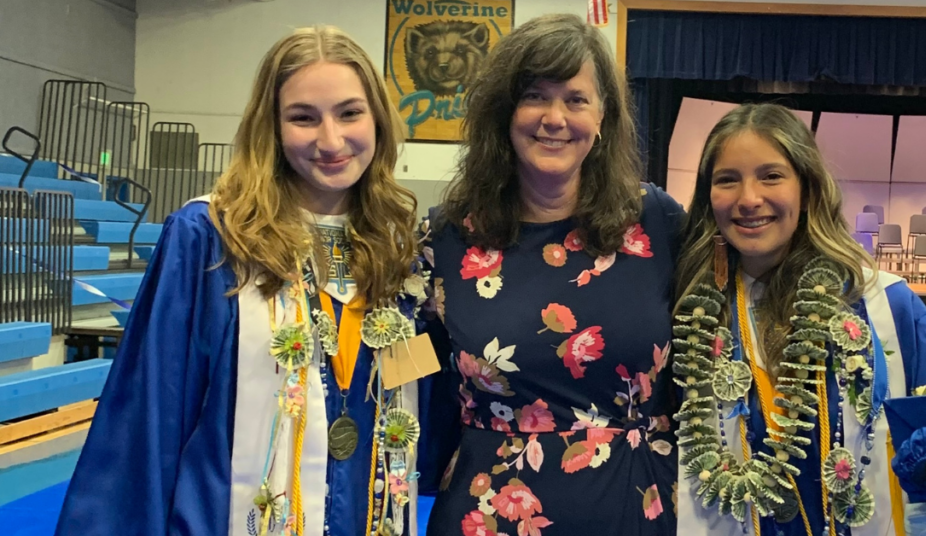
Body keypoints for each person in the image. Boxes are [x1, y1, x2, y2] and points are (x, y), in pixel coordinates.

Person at [54, 26, 432, 536]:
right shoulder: (211, 238)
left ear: (379, 121)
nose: (330, 140)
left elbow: (412, 390)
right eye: (303, 117)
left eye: (349, 113)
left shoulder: (395, 249)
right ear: (271, 128)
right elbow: (150, 413)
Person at [418, 13, 685, 536]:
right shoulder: (447, 238)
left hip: (636, 508)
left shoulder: (658, 221)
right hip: (488, 514)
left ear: (603, 116)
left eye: (576, 99)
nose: (555, 117)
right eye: (535, 96)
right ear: (504, 112)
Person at [671, 103, 926, 536]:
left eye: (771, 175)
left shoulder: (888, 308)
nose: (749, 199)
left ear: (807, 189)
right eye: (727, 179)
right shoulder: (693, 316)